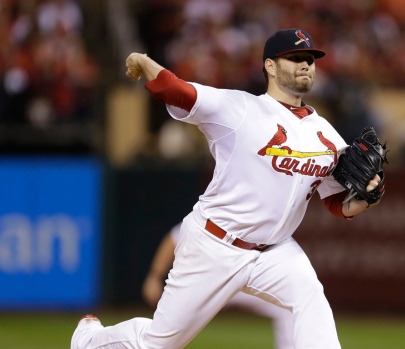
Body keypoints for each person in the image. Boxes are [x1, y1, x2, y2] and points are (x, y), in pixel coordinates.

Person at [71, 27, 382, 349]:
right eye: (295, 58)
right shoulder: (239, 108)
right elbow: (178, 92)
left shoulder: (327, 135)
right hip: (215, 243)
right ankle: (91, 340)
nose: (306, 65)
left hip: (275, 251)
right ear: (270, 67)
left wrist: (364, 200)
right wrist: (143, 61)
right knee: (158, 343)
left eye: (310, 59)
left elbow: (334, 201)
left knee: (310, 298)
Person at [142, 223, 294, 349]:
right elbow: (174, 238)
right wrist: (154, 276)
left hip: (245, 280)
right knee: (169, 329)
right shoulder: (218, 214)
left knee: (285, 303)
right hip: (206, 281)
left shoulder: (268, 219)